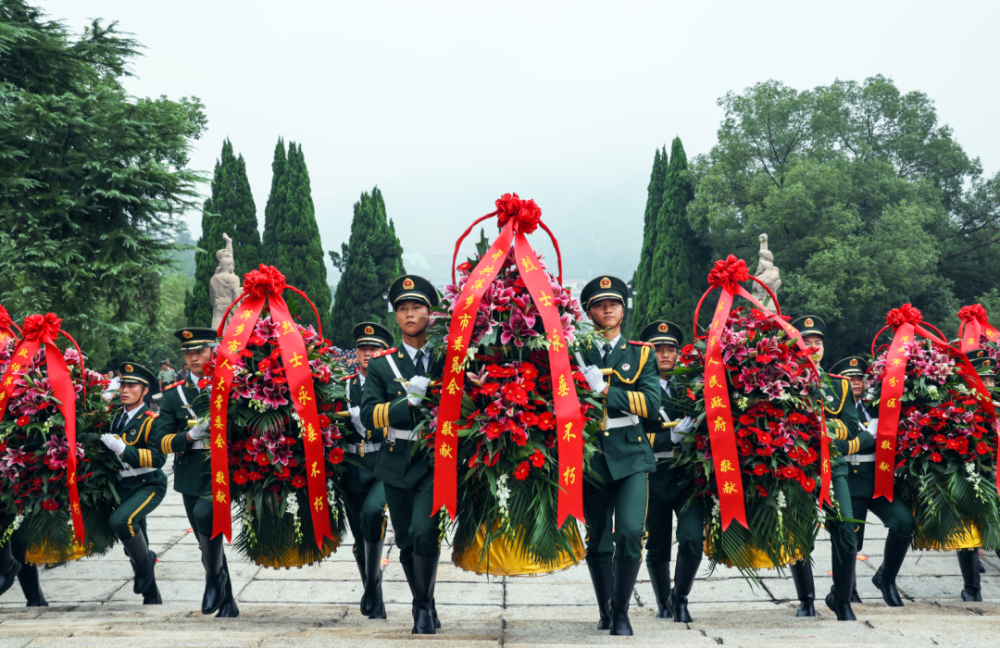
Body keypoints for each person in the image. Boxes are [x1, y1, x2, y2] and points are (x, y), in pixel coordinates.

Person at [577, 276, 660, 636]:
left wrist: (608, 391)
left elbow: (652, 405)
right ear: (588, 311)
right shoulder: (575, 352)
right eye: (599, 304)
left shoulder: (642, 353)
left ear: (624, 309)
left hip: (630, 454)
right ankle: (605, 609)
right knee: (597, 539)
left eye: (614, 303)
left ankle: (622, 611)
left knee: (628, 532)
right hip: (590, 456)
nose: (607, 309)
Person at [360, 275, 443, 635]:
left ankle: (421, 607)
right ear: (396, 317)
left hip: (435, 458)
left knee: (425, 531)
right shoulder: (381, 365)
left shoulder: (445, 358)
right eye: (403, 309)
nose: (410, 315)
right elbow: (368, 415)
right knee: (407, 539)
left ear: (430, 313)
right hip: (397, 458)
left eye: (417, 307)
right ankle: (425, 600)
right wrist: (404, 402)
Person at [149, 327, 239, 618]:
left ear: (213, 351)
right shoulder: (174, 395)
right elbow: (162, 439)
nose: (194, 357)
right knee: (205, 538)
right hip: (190, 472)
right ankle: (227, 599)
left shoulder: (230, 384)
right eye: (188, 353)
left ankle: (213, 580)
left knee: (205, 515)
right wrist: (190, 436)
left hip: (223, 468)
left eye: (200, 351)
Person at [786, 316, 860, 621]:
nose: (813, 347)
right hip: (798, 468)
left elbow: (852, 427)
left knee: (845, 530)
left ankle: (841, 598)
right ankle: (806, 598)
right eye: (806, 342)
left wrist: (822, 428)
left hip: (834, 467)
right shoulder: (783, 380)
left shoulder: (839, 385)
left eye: (818, 342)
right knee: (799, 533)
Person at [830, 355, 915, 607]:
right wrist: (869, 436)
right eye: (850, 379)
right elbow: (838, 446)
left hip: (878, 481)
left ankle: (886, 579)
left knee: (904, 522)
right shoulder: (832, 410)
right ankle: (847, 588)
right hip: (849, 482)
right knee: (851, 539)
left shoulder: (878, 408)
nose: (856, 383)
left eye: (860, 378)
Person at [639, 320, 702, 622]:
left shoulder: (691, 387)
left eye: (670, 350)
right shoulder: (637, 388)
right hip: (654, 473)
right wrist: (671, 436)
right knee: (658, 542)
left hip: (687, 474)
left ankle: (681, 598)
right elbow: (633, 436)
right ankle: (663, 601)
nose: (665, 355)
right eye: (658, 349)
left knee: (692, 538)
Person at [99, 362, 168, 604]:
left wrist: (124, 450)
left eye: (132, 385)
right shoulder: (115, 417)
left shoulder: (152, 420)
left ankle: (147, 560)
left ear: (145, 390)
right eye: (122, 385)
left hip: (148, 483)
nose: (125, 390)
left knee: (122, 521)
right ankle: (152, 597)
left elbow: (159, 458)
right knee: (136, 542)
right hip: (122, 486)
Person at [343, 321, 392, 620]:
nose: (367, 353)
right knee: (360, 535)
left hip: (382, 464)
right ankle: (374, 594)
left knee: (373, 513)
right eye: (363, 348)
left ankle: (372, 588)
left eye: (374, 348)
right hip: (352, 467)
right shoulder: (344, 386)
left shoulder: (390, 382)